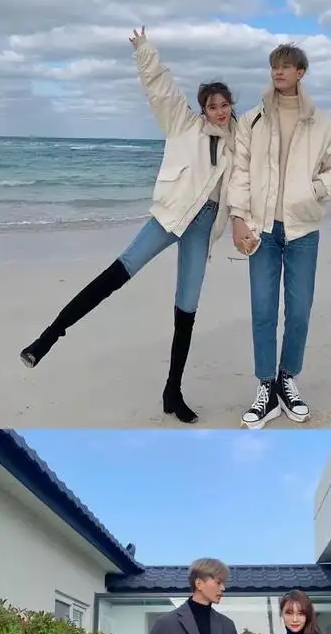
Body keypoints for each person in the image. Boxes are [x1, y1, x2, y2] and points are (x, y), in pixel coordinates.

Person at [20, 29, 238, 424]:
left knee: (187, 309)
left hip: (203, 225)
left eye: (224, 105)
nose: (219, 111)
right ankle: (48, 337)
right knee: (116, 275)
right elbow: (161, 88)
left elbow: (252, 180)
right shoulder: (183, 124)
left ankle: (173, 390)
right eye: (212, 106)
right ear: (202, 109)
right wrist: (144, 50)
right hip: (170, 216)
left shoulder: (241, 142)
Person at [228, 44, 331, 427]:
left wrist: (312, 191)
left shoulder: (324, 123)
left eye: (285, 66)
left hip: (303, 229)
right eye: (274, 66)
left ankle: (286, 379)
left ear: (300, 72)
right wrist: (237, 217)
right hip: (261, 229)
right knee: (263, 311)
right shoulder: (251, 120)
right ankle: (266, 387)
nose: (278, 72)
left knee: (298, 311)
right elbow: (240, 172)